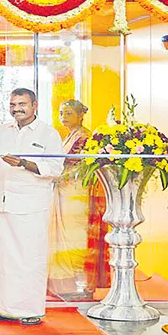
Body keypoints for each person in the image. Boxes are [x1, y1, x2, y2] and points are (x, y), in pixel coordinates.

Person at [0, 88, 63, 326]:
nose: (17, 108)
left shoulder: (48, 133)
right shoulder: (1, 130)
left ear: (35, 105)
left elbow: (55, 170)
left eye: (22, 104)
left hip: (31, 206)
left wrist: (25, 163)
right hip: (3, 202)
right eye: (13, 104)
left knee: (29, 258)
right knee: (0, 258)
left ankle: (30, 309)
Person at [48, 100, 109, 300]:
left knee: (75, 234)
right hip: (63, 189)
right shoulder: (69, 136)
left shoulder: (85, 137)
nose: (63, 117)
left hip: (76, 192)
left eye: (68, 113)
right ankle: (64, 279)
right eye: (61, 113)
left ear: (80, 115)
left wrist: (58, 177)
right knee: (62, 233)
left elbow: (80, 167)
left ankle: (78, 279)